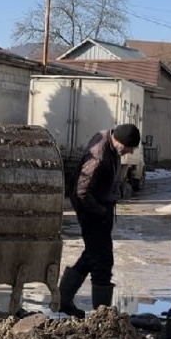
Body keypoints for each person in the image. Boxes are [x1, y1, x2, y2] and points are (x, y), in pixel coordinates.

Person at [56, 123, 141, 319]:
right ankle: (102, 317)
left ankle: (63, 300)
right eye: (129, 148)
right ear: (119, 142)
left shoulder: (109, 142)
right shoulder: (98, 156)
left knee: (91, 256)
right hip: (93, 213)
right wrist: (100, 211)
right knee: (102, 262)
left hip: (99, 209)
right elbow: (81, 192)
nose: (130, 152)